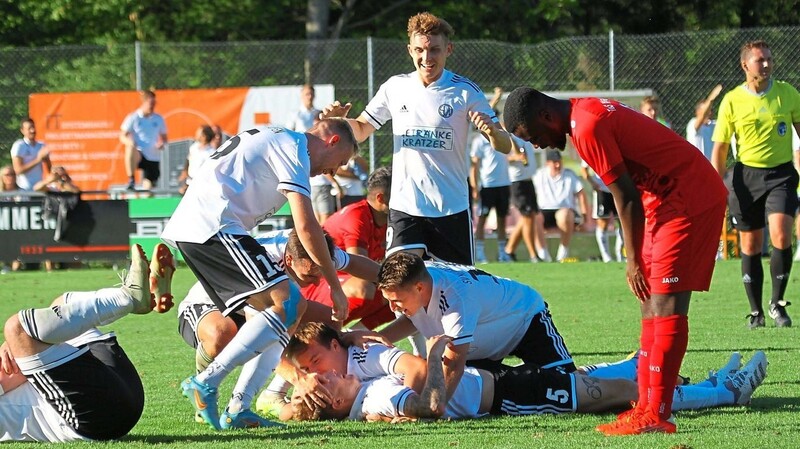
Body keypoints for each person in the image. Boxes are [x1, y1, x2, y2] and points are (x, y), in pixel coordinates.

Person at [503, 87, 728, 435]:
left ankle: (658, 414)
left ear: (546, 117)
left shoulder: (586, 126)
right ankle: (647, 405)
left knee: (666, 303)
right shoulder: (581, 115)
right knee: (649, 302)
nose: (537, 146)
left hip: (686, 196)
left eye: (534, 137)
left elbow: (625, 197)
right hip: (663, 199)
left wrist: (632, 258)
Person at [160, 118, 357, 430]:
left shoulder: (281, 137)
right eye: (340, 161)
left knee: (288, 310)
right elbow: (306, 227)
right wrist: (335, 287)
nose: (333, 171)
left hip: (205, 226)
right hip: (214, 225)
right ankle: (207, 382)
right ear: (332, 141)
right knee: (289, 301)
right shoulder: (295, 149)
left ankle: (239, 406)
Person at [321, 12, 516, 265]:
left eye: (435, 50)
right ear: (410, 50)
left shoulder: (465, 91)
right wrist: (336, 122)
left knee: (455, 290)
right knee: (399, 283)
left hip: (451, 208)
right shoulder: (395, 87)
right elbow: (360, 129)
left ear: (449, 49)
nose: (427, 58)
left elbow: (505, 145)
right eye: (420, 50)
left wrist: (491, 132)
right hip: (406, 206)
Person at [290, 335, 767, 424]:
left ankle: (706, 385)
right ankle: (725, 394)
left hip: (501, 382)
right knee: (620, 395)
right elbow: (427, 406)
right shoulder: (375, 400)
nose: (325, 376)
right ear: (333, 404)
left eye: (319, 372)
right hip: (509, 399)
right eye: (322, 385)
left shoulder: (363, 383)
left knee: (588, 379)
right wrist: (435, 358)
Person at [175, 228, 378, 428]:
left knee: (330, 323)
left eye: (321, 273)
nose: (316, 282)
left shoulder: (316, 247)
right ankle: (206, 384)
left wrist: (399, 280)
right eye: (309, 275)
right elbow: (264, 337)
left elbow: (353, 262)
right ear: (289, 261)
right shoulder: (263, 261)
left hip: (261, 306)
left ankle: (258, 402)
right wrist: (298, 378)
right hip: (208, 306)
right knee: (223, 334)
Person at [0, 243, 174, 442]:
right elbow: (12, 370)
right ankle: (128, 299)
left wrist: (16, 348)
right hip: (90, 417)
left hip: (116, 390)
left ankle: (136, 298)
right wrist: (14, 345)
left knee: (61, 305)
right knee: (18, 328)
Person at [375, 252, 576, 406]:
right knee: (498, 391)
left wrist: (431, 408)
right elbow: (414, 319)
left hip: (525, 319)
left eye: (396, 301)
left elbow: (453, 364)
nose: (393, 308)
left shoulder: (457, 297)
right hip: (482, 337)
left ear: (419, 288)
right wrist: (377, 338)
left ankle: (603, 372)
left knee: (569, 386)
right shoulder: (418, 279)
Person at [711, 40, 800, 329]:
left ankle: (777, 304)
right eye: (760, 60)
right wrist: (716, 186)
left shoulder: (787, 94)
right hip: (746, 178)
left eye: (769, 60)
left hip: (781, 176)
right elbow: (721, 149)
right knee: (750, 244)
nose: (766, 64)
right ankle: (756, 311)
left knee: (782, 235)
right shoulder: (733, 101)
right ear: (745, 65)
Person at [287, 84, 335, 224]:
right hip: (302, 158)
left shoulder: (318, 114)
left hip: (317, 156)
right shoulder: (295, 115)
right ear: (302, 96)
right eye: (307, 94)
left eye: (312, 93)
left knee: (324, 214)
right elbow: (289, 135)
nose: (310, 96)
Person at [532, 149, 589, 262]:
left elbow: (581, 193)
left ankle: (563, 251)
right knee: (534, 217)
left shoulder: (569, 174)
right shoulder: (539, 175)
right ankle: (542, 254)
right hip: (544, 211)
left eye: (559, 161)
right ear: (547, 163)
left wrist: (585, 216)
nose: (558, 165)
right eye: (554, 162)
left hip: (564, 210)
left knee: (565, 214)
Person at [470, 123, 512, 263]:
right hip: (487, 185)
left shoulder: (502, 138)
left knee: (502, 219)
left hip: (503, 184)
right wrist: (475, 187)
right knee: (482, 219)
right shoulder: (479, 141)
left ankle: (502, 253)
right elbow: (474, 166)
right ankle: (480, 253)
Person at [120, 89, 168, 191]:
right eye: (150, 103)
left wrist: (161, 143)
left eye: (154, 103)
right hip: (139, 154)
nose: (152, 106)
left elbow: (164, 137)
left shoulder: (158, 119)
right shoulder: (134, 117)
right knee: (129, 148)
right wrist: (130, 142)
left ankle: (146, 200)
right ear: (144, 102)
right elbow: (122, 136)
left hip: (153, 156)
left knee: (149, 190)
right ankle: (131, 179)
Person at [503, 135, 540, 262]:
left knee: (529, 217)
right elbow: (505, 158)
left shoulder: (523, 137)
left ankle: (509, 250)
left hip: (528, 180)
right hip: (518, 182)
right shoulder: (509, 138)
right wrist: (516, 157)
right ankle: (533, 254)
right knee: (527, 216)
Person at [580, 161, 623, 263]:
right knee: (603, 223)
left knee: (622, 221)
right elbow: (584, 169)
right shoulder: (592, 148)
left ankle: (620, 253)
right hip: (602, 190)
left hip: (618, 188)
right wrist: (593, 183)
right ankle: (606, 257)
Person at [10, 118, 51, 191]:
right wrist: (38, 160)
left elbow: (49, 170)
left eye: (33, 127)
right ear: (22, 131)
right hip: (24, 190)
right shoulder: (19, 145)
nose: (32, 130)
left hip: (39, 189)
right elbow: (18, 170)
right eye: (29, 128)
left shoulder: (41, 145)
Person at [686, 84, 723, 161]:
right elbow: (702, 116)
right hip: (696, 167)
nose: (709, 113)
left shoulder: (714, 125)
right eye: (706, 110)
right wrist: (711, 98)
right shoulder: (692, 124)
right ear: (697, 112)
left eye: (710, 110)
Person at [178, 125, 216, 195]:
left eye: (199, 133)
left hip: (202, 186)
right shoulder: (194, 147)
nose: (196, 134)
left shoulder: (211, 153)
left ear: (204, 136)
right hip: (189, 182)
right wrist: (184, 172)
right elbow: (188, 159)